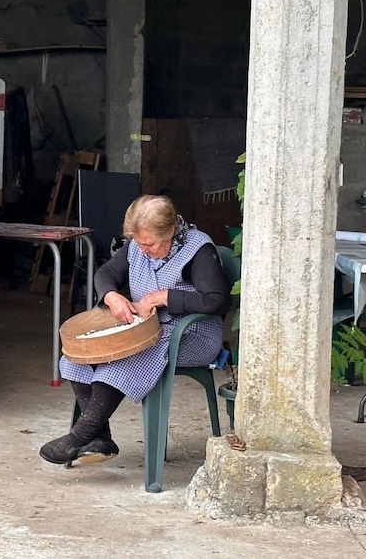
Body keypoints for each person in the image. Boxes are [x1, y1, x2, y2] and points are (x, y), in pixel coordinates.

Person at [40, 195, 230, 466]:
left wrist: (165, 297)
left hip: (191, 334)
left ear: (170, 231)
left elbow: (215, 299)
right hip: (147, 330)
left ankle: (79, 436)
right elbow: (105, 274)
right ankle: (100, 438)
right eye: (138, 243)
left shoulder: (198, 249)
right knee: (81, 353)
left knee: (123, 359)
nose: (142, 250)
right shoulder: (137, 245)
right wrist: (110, 296)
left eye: (149, 244)